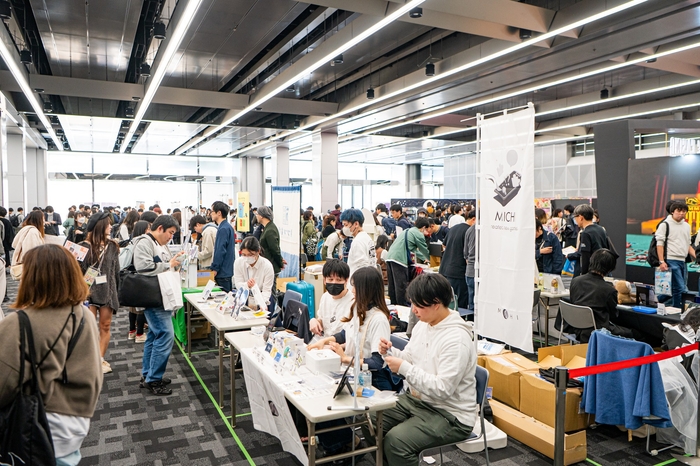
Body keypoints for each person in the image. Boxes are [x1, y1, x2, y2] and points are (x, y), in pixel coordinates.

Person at [0, 244, 102, 465]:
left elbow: (3, 383)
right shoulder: (83, 314)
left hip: (35, 424)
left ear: (32, 277)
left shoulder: (19, 323)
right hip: (76, 422)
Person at [373, 273, 477, 466]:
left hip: (450, 413)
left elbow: (443, 389)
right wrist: (391, 352)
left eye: (418, 305)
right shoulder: (423, 325)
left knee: (396, 442)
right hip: (418, 400)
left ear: (436, 303)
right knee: (371, 419)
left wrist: (404, 368)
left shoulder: (456, 340)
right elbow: (410, 357)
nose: (414, 310)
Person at [308, 266, 397, 391]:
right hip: (353, 372)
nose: (352, 290)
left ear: (367, 290)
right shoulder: (358, 308)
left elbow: (377, 363)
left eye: (355, 287)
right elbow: (344, 334)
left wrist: (345, 358)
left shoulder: (379, 320)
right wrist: (324, 341)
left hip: (373, 381)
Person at [134, 215, 184, 395]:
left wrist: (173, 262)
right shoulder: (145, 242)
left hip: (160, 296)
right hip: (153, 297)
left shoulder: (158, 244)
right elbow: (143, 267)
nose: (171, 237)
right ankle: (153, 379)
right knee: (165, 334)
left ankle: (148, 375)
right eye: (170, 232)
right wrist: (168, 264)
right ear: (160, 228)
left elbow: (164, 265)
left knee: (155, 336)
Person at [78, 212, 121, 374]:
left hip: (107, 291)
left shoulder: (112, 246)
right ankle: (89, 359)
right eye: (108, 224)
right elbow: (75, 272)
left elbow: (115, 271)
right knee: (87, 328)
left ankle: (100, 360)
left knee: (105, 325)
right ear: (100, 226)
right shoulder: (83, 246)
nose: (110, 226)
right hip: (87, 292)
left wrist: (117, 293)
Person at [568, 249, 636, 342]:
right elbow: (613, 316)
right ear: (610, 268)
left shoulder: (575, 281)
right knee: (638, 334)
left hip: (576, 329)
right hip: (600, 332)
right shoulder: (609, 290)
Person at [656, 201, 696, 308]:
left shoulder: (686, 226)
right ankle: (677, 309)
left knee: (677, 288)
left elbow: (688, 245)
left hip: (683, 261)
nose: (681, 213)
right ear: (672, 211)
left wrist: (697, 256)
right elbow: (659, 244)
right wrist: (661, 261)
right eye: (679, 211)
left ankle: (657, 300)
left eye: (684, 211)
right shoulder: (665, 225)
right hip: (671, 260)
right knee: (680, 288)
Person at [385, 217, 431, 308]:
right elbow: (424, 249)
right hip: (399, 259)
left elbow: (412, 249)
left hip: (390, 257)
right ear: (423, 227)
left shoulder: (407, 231)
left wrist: (423, 258)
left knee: (392, 286)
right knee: (401, 286)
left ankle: (393, 307)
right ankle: (402, 307)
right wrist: (429, 259)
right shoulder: (418, 234)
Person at [308, 259, 354, 341]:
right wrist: (314, 321)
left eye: (339, 280)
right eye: (330, 279)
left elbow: (350, 335)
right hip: (324, 343)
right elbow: (322, 320)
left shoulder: (353, 302)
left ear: (346, 280)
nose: (334, 283)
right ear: (324, 280)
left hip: (341, 346)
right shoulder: (325, 297)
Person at [567, 204, 615, 277]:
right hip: (604, 270)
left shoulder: (585, 233)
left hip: (593, 273)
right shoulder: (601, 229)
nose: (575, 220)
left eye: (575, 217)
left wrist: (584, 276)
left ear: (581, 217)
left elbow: (585, 257)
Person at [439, 213, 471, 310]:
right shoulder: (469, 231)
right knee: (460, 304)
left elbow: (443, 245)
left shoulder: (453, 229)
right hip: (458, 272)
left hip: (445, 269)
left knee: (447, 301)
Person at [233, 237, 275, 311]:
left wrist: (262, 304)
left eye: (250, 255)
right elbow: (238, 283)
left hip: (262, 298)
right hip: (245, 297)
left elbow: (266, 290)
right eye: (244, 254)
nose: (247, 258)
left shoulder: (267, 266)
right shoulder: (238, 262)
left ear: (258, 251)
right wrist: (247, 285)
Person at [127, 220, 150, 343]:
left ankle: (132, 331)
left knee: (132, 308)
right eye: (148, 228)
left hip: (130, 277)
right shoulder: (143, 243)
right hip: (140, 277)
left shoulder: (132, 241)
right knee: (141, 308)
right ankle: (140, 334)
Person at [340, 208, 376, 278]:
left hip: (359, 281)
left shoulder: (358, 241)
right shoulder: (367, 238)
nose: (344, 228)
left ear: (356, 224)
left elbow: (361, 267)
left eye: (346, 225)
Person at [210, 201, 235, 293]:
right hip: (227, 270)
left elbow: (220, 250)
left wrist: (215, 268)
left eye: (212, 211)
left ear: (219, 213)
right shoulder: (227, 227)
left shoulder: (223, 229)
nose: (210, 214)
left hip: (223, 272)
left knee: (224, 298)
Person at [257, 206, 285, 287]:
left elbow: (274, 249)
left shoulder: (270, 230)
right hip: (267, 264)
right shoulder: (267, 228)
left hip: (271, 265)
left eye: (257, 214)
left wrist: (280, 263)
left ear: (261, 216)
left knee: (271, 291)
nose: (256, 216)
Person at [463, 210, 477, 311]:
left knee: (471, 303)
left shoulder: (469, 230)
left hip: (469, 271)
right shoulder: (483, 230)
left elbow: (465, 253)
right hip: (478, 272)